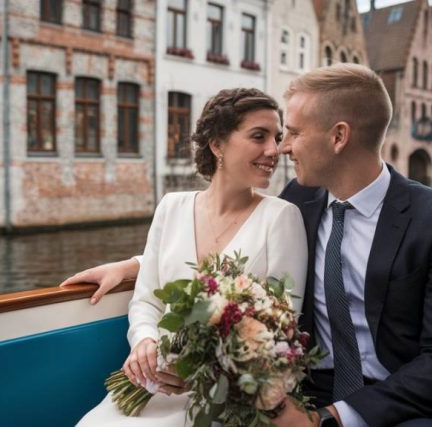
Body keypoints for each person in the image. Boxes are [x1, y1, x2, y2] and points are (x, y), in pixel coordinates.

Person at [65, 64, 432, 427]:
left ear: (339, 137)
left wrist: (333, 418)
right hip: (304, 389)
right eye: (267, 136)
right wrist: (136, 264)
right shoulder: (301, 199)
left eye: (293, 133)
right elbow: (225, 249)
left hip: (402, 405)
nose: (281, 149)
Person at [73, 88, 308, 426]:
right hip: (154, 382)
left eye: (277, 137)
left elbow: (283, 329)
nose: (274, 150)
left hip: (224, 396)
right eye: (259, 136)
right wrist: (144, 342)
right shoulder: (171, 207)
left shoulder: (282, 217)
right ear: (217, 144)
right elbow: (146, 301)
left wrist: (201, 372)